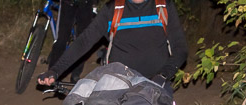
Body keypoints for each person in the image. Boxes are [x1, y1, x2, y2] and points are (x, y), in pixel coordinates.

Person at [37, 0, 187, 87]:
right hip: (119, 84)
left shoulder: (164, 7)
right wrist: (55, 71)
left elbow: (180, 49)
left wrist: (163, 75)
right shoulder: (114, 9)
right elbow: (83, 42)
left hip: (157, 84)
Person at [46, 0, 95, 84]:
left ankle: (76, 74)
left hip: (86, 4)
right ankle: (51, 74)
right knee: (61, 40)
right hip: (67, 3)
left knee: (83, 40)